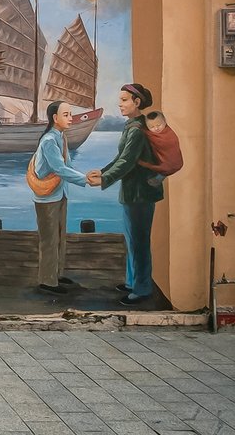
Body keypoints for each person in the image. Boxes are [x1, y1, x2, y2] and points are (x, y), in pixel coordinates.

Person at [86, 82, 161, 305]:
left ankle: (142, 288)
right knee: (132, 239)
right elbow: (121, 159)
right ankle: (132, 281)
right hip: (133, 191)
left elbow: (127, 162)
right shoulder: (132, 126)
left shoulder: (138, 130)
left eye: (124, 100)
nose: (119, 104)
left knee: (139, 242)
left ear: (137, 102)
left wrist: (105, 179)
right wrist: (103, 171)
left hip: (140, 193)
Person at [30, 101, 91, 296]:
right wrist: (85, 180)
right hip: (47, 197)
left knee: (60, 236)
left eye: (71, 114)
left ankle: (57, 273)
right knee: (49, 239)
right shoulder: (49, 140)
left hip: (59, 193)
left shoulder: (61, 137)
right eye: (66, 115)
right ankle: (47, 281)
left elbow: (68, 167)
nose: (70, 118)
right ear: (55, 118)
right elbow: (59, 169)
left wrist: (86, 177)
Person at [140, 110, 184, 188]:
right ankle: (159, 176)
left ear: (165, 121)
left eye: (159, 125)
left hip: (173, 162)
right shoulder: (151, 133)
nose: (156, 128)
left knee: (165, 168)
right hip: (163, 161)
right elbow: (147, 133)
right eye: (152, 127)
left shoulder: (169, 134)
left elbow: (170, 145)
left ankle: (160, 176)